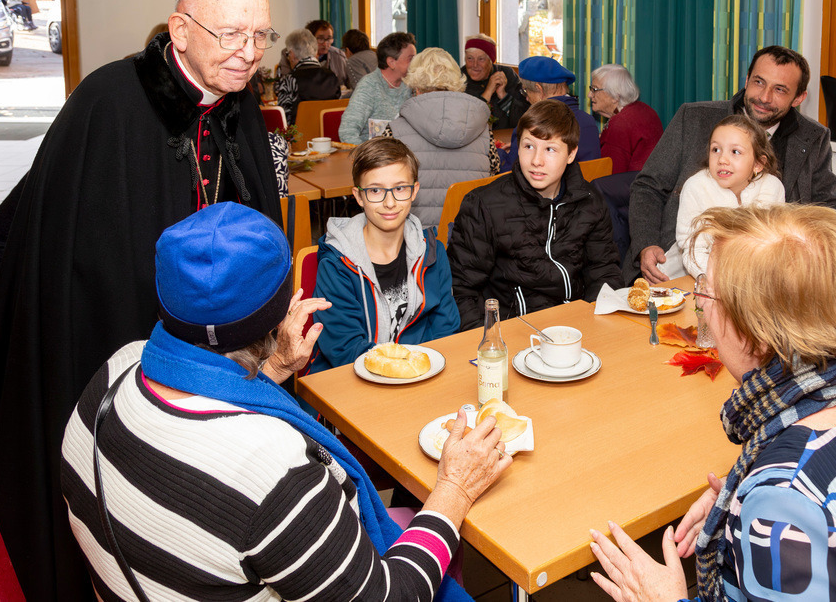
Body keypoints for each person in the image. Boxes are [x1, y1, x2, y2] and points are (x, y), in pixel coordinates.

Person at [0, 0, 283, 602]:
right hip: (121, 353)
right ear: (180, 30)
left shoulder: (238, 99)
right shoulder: (109, 101)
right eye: (231, 34)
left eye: (260, 35)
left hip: (220, 360)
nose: (249, 53)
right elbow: (73, 255)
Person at [61, 202, 506, 601]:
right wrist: (455, 488)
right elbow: (391, 596)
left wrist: (272, 369)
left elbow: (211, 415)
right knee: (440, 528)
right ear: (279, 311)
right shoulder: (274, 470)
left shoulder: (118, 367)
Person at [590, 204, 836, 601]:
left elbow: (807, 495)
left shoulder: (784, 507)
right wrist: (744, 490)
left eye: (707, 292)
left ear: (759, 333)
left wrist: (666, 598)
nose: (702, 306)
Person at [627, 45, 836, 284]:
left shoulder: (812, 137)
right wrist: (646, 244)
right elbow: (647, 187)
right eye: (759, 82)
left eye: (779, 89)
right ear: (746, 80)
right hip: (680, 266)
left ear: (798, 98)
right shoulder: (694, 118)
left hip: (766, 274)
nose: (764, 97)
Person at [447, 99, 623, 329]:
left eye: (550, 149)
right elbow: (461, 289)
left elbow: (605, 272)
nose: (536, 161)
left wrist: (590, 324)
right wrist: (490, 340)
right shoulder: (484, 205)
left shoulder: (589, 200)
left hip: (574, 328)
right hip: (512, 331)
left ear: (571, 154)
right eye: (528, 146)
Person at [312, 138, 461, 369]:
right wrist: (409, 368)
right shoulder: (337, 264)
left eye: (400, 188)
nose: (389, 203)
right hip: (352, 378)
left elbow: (446, 331)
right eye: (375, 190)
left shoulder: (432, 252)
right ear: (358, 196)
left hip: (423, 374)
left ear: (414, 191)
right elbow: (344, 349)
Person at [660, 114, 784, 279]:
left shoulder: (772, 187)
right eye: (716, 150)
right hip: (688, 278)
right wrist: (720, 281)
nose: (722, 159)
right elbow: (693, 251)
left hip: (748, 279)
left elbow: (768, 244)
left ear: (758, 164)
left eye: (735, 152)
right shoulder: (696, 187)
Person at [387, 47, 497, 227]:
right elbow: (493, 174)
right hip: (470, 233)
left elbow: (382, 184)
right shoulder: (483, 129)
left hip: (415, 235)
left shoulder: (394, 131)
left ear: (416, 87)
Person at [500, 55, 600, 172]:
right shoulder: (588, 120)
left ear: (539, 89)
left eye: (525, 91)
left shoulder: (532, 124)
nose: (526, 98)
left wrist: (498, 153)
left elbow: (510, 172)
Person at [339, 31, 415, 144]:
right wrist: (369, 153)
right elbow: (347, 132)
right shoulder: (369, 86)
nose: (416, 63)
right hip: (375, 152)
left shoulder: (410, 85)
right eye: (411, 59)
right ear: (391, 62)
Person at [589, 63, 663, 173]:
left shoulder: (620, 123)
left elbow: (610, 174)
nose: (590, 95)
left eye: (594, 89)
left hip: (631, 182)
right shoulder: (645, 109)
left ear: (615, 96)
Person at [461, 34, 530, 130]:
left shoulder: (506, 74)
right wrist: (488, 92)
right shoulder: (458, 79)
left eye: (481, 59)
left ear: (491, 60)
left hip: (505, 137)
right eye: (470, 58)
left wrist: (504, 96)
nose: (475, 64)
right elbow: (466, 123)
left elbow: (525, 119)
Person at [274, 28, 342, 124]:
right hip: (328, 131)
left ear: (292, 54)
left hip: (300, 133)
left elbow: (283, 120)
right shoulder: (332, 76)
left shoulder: (290, 80)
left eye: (288, 54)